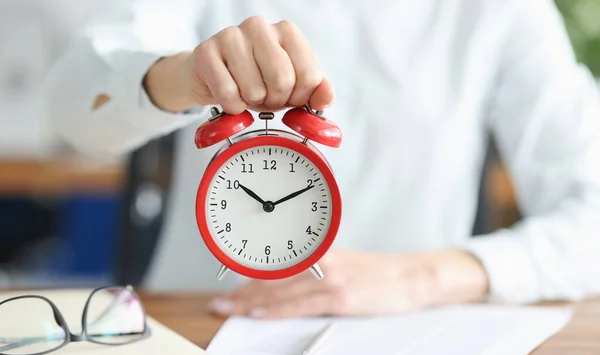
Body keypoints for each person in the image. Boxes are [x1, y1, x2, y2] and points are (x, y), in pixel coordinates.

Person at [45, 0, 600, 319]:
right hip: (205, 322)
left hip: (417, 334)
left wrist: (427, 275)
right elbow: (74, 110)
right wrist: (180, 76)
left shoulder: (505, 10)